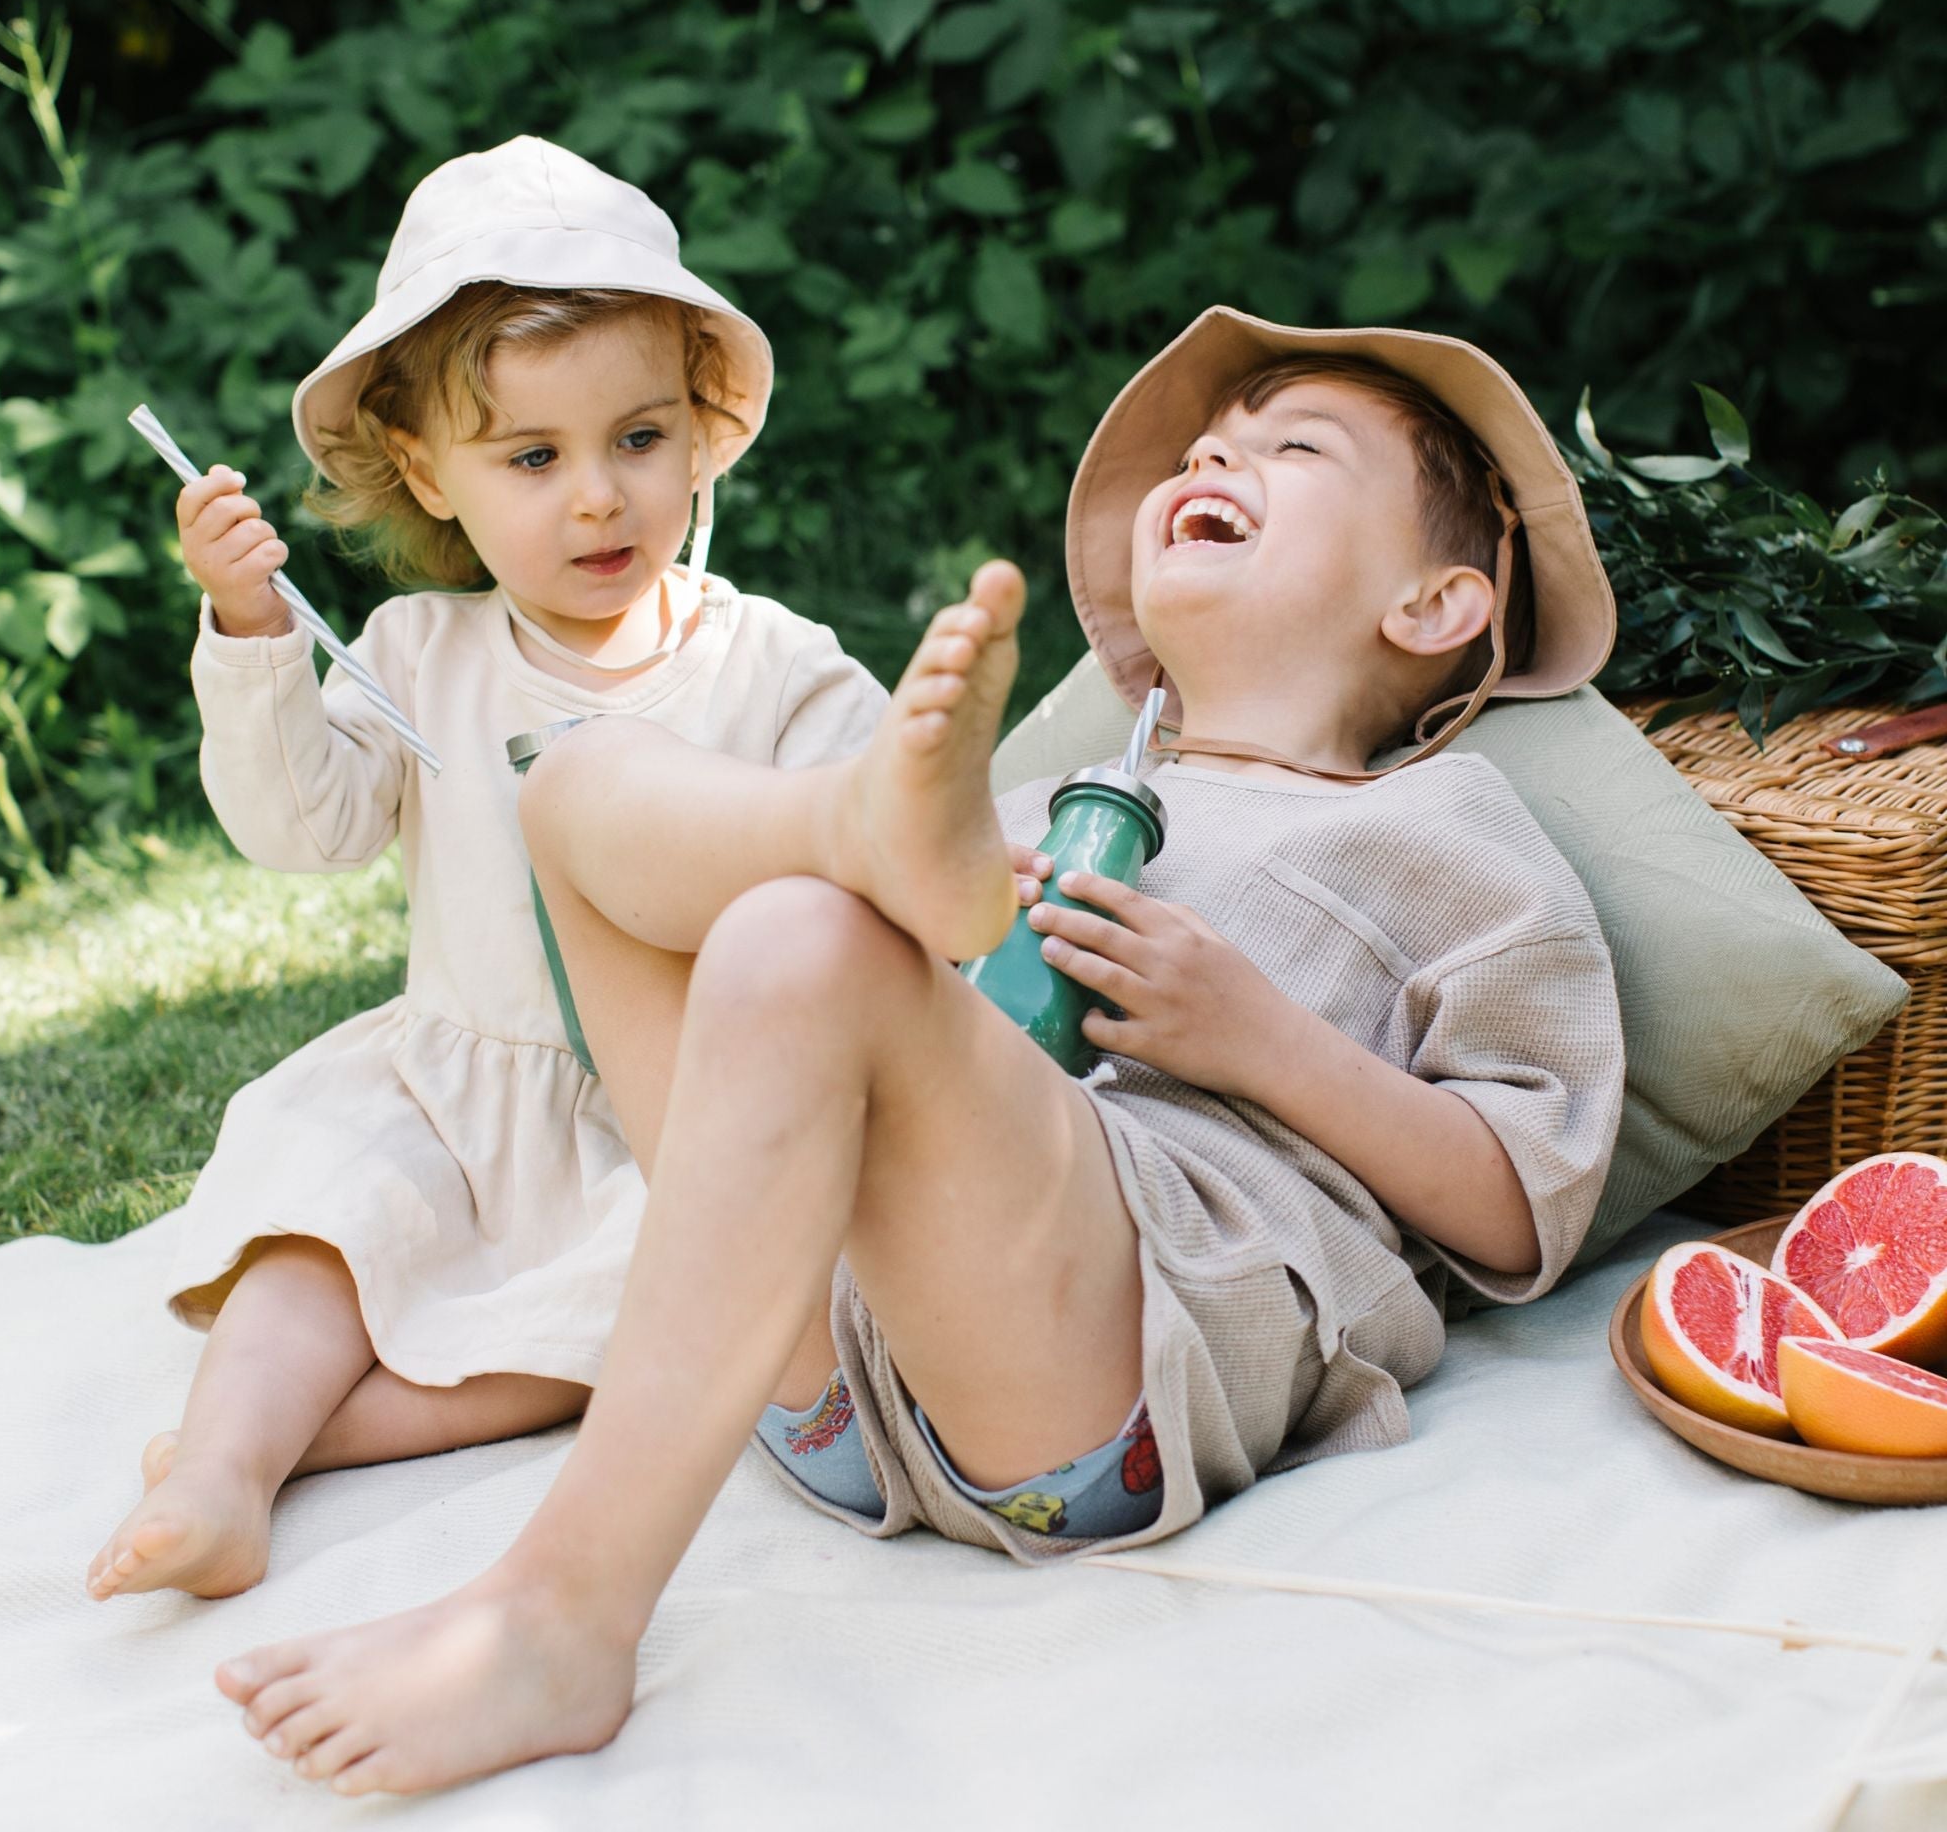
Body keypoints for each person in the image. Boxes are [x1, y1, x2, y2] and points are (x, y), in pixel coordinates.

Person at [212, 309, 1627, 1794]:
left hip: (1097, 1380)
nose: (1220, 451)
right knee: (573, 789)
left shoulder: (1440, 830)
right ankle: (833, 832)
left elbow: (1527, 1203)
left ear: (1436, 604)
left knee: (800, 941)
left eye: (1295, 447)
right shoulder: (1024, 806)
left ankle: (563, 1610)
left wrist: (1257, 1039)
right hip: (825, 1377)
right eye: (1213, 444)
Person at [85, 137, 890, 1603]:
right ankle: (219, 1470)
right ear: (426, 474)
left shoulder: (775, 669)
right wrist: (255, 632)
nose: (598, 498)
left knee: (659, 1298)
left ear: (705, 429)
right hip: (451, 1092)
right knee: (324, 1219)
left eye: (638, 440)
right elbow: (302, 829)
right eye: (534, 458)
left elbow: (882, 847)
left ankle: (311, 1443)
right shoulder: (412, 659)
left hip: (669, 1120)